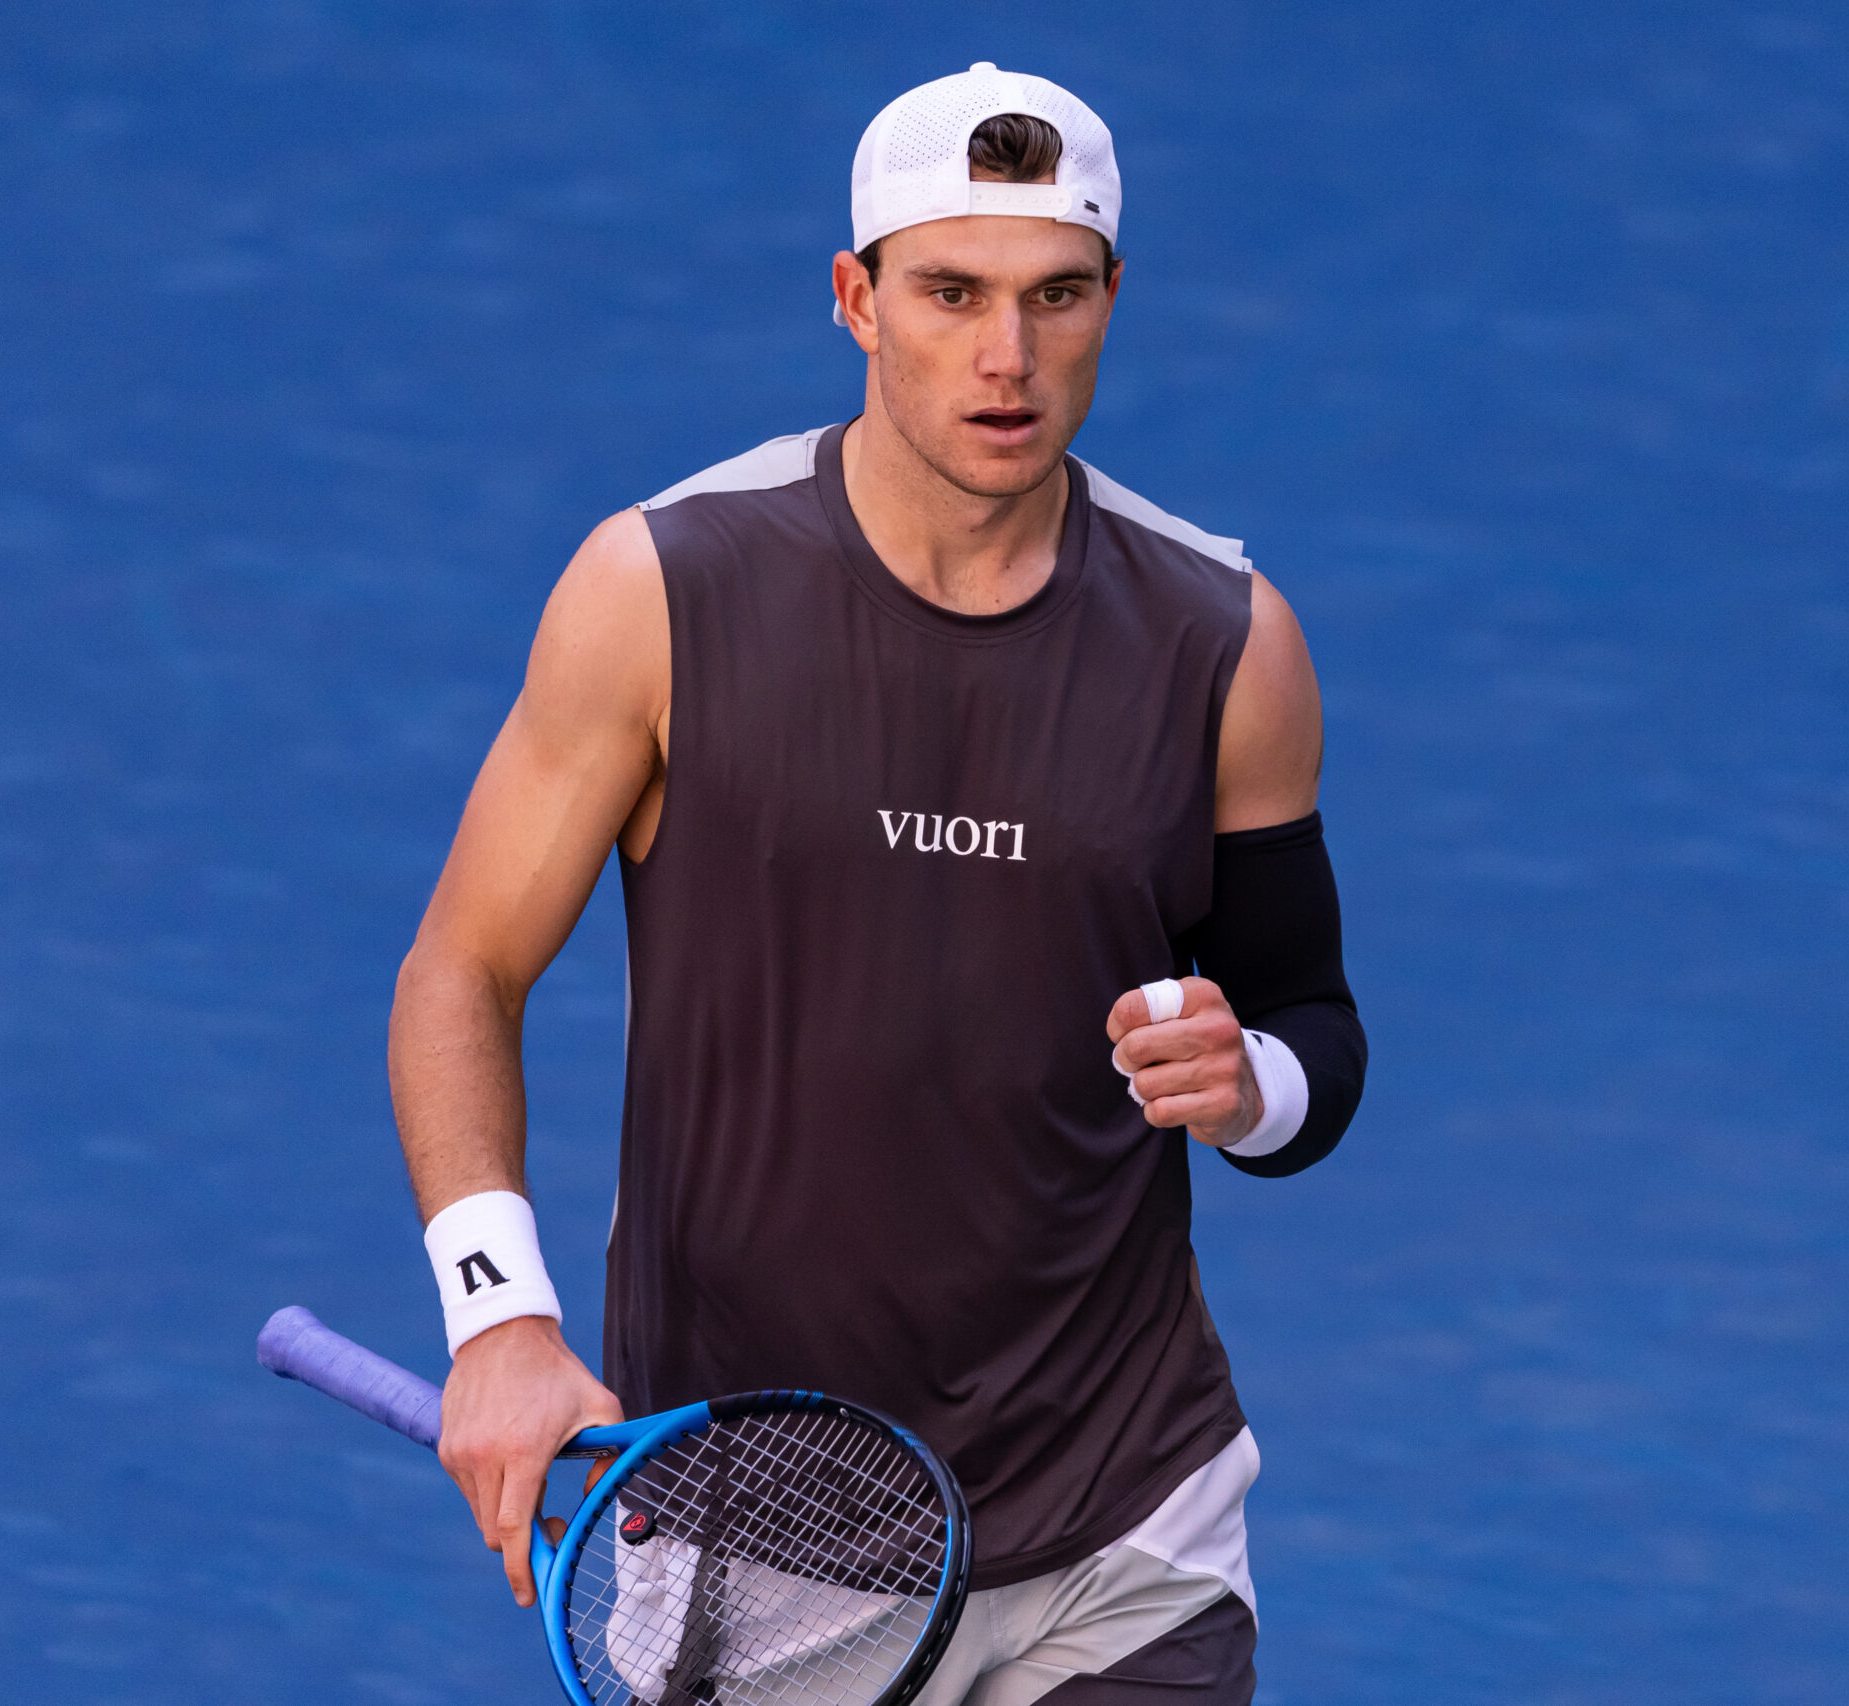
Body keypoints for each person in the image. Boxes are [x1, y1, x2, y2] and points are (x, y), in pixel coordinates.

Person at [387, 62, 1364, 1703]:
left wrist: (1246, 1078)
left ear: (1114, 298)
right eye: (952, 294)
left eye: (1057, 296)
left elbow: (1313, 1032)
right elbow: (460, 972)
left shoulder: (1229, 648)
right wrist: (498, 1312)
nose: (1009, 358)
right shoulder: (663, 595)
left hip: (1125, 1530)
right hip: (759, 1552)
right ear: (856, 298)